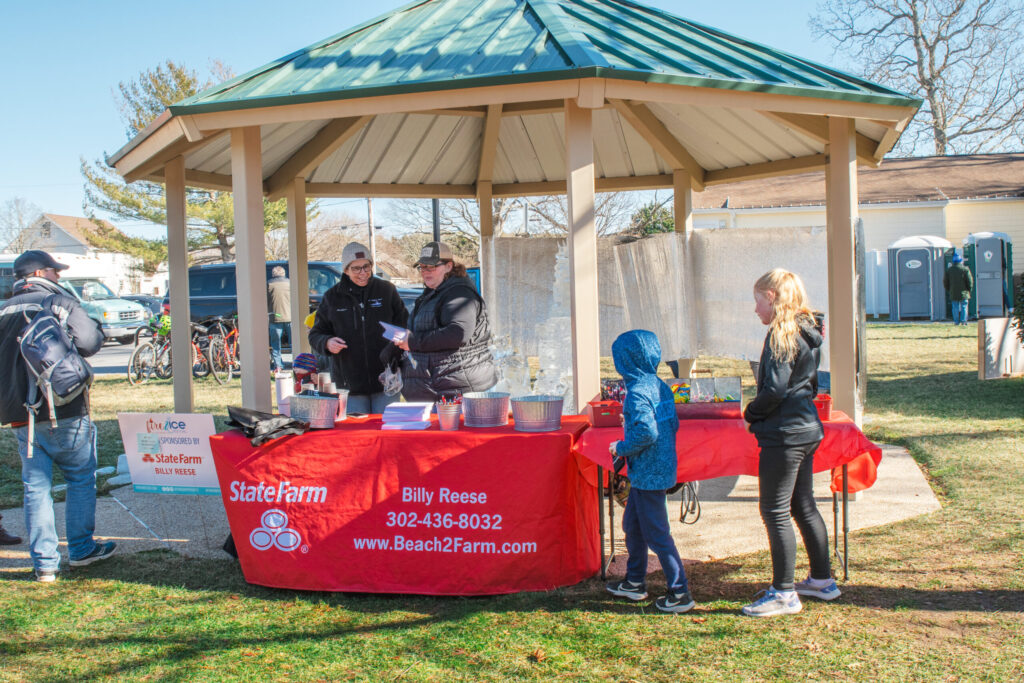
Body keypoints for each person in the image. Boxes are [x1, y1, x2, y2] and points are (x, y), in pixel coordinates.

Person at [0, 250, 115, 582]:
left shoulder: (3, 308)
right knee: (80, 478)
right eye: (55, 271)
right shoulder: (58, 302)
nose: (59, 277)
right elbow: (90, 342)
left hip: (20, 414)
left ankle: (45, 565)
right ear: (40, 272)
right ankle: (81, 550)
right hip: (63, 406)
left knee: (35, 487)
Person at [741, 268, 839, 617]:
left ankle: (784, 593)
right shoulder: (808, 331)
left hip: (785, 435)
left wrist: (751, 412)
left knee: (775, 510)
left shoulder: (781, 333)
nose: (755, 310)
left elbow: (775, 389)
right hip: (806, 430)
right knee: (803, 505)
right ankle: (822, 580)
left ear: (771, 297)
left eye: (757, 301)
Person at [604, 329, 695, 614]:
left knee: (657, 534)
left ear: (625, 362)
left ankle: (680, 592)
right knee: (633, 526)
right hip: (660, 469)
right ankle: (634, 581)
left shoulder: (636, 393)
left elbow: (646, 433)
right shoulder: (659, 385)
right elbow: (669, 425)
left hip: (647, 475)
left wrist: (621, 446)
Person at [309, 242, 408, 414]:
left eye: (366, 267)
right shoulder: (332, 297)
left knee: (386, 433)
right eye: (356, 269)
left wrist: (397, 346)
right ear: (346, 270)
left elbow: (405, 324)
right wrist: (327, 342)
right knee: (359, 437)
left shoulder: (386, 290)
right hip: (350, 384)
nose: (363, 273)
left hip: (387, 380)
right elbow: (316, 334)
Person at [395, 242, 498, 401]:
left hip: (457, 390)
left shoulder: (459, 293)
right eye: (422, 267)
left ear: (449, 266)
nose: (425, 272)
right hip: (437, 388)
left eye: (431, 267)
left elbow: (458, 333)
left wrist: (413, 342)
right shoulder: (432, 293)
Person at [267, 266, 291, 372]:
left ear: (273, 274)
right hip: (290, 317)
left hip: (275, 317)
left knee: (276, 344)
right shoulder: (290, 283)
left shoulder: (268, 284)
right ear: (284, 273)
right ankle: (297, 364)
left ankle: (278, 366)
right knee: (293, 343)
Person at [943, 251, 973, 326]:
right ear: (961, 261)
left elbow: (945, 282)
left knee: (955, 307)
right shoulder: (965, 269)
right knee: (964, 306)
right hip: (964, 291)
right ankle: (963, 321)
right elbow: (970, 281)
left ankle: (956, 322)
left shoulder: (949, 270)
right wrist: (969, 289)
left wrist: (949, 289)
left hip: (953, 292)